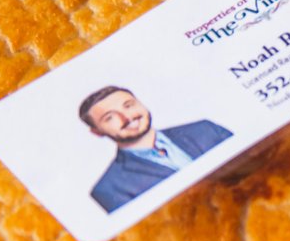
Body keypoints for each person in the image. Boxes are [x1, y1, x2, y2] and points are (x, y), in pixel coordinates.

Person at [80, 85, 231, 214]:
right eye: (110, 117)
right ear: (97, 131)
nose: (127, 117)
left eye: (128, 105)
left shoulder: (205, 129)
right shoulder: (109, 188)